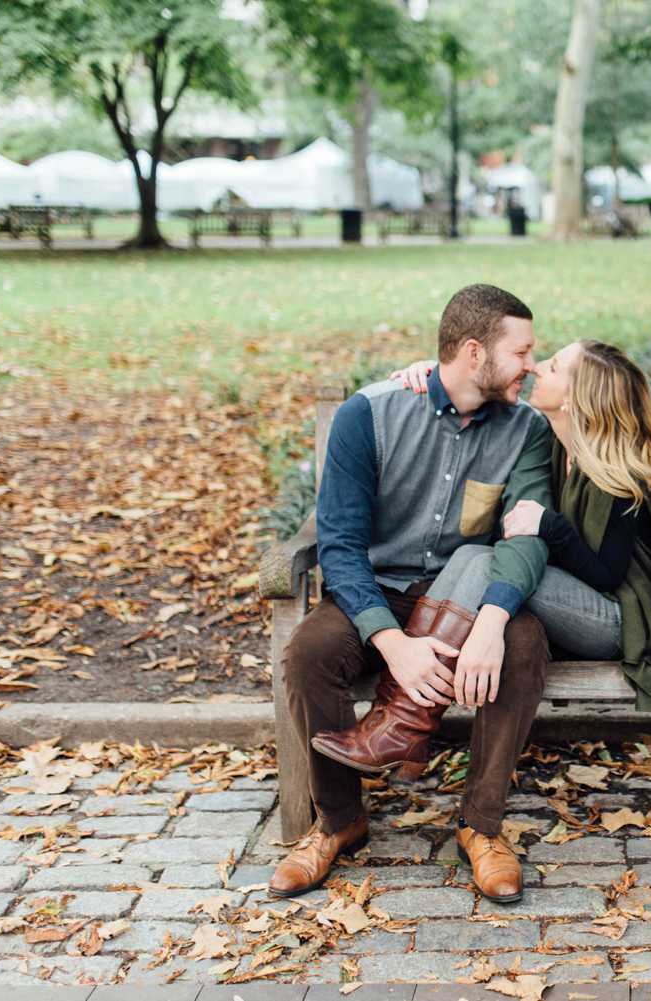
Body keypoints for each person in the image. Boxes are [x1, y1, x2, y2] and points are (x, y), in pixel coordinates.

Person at [270, 283, 552, 906]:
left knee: (524, 645)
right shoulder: (368, 414)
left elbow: (527, 537)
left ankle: (481, 827)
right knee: (309, 654)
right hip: (379, 590)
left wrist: (490, 626)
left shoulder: (528, 430)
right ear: (475, 353)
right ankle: (338, 819)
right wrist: (393, 643)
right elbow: (339, 544)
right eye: (523, 352)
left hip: (465, 596)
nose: (531, 366)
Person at [356, 340, 651, 705]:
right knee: (470, 555)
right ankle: (404, 695)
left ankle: (401, 715)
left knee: (486, 563)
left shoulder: (616, 476)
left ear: (574, 399)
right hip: (569, 599)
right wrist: (436, 374)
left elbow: (607, 575)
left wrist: (549, 526)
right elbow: (481, 390)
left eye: (554, 367)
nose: (537, 367)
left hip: (617, 620)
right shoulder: (557, 442)